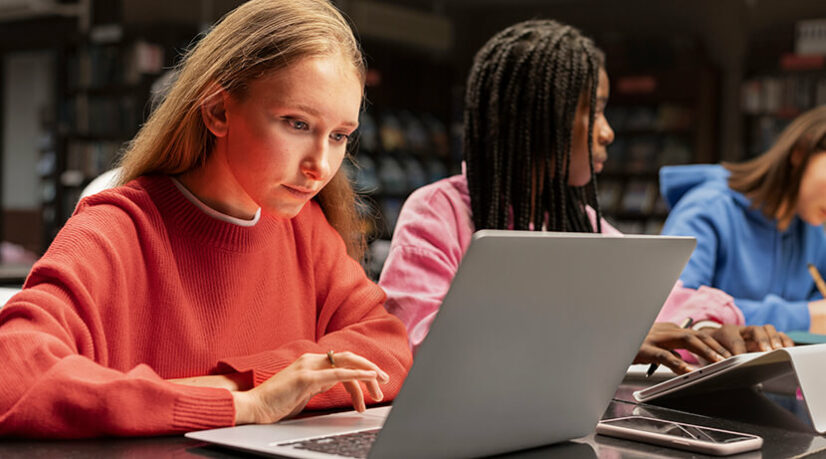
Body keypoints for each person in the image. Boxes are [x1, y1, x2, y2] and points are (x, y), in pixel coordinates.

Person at [0, 0, 412, 438]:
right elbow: (14, 377)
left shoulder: (306, 230)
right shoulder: (115, 229)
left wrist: (252, 385)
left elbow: (388, 348)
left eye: (339, 136)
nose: (321, 165)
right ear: (217, 111)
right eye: (296, 124)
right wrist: (244, 404)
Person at [378, 20, 791, 376]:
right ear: (536, 118)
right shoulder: (438, 212)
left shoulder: (578, 220)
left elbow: (668, 300)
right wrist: (607, 338)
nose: (608, 132)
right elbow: (422, 346)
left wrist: (704, 333)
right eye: (594, 110)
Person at [661, 105, 826, 333]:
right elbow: (674, 312)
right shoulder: (709, 209)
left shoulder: (813, 229)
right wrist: (802, 317)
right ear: (800, 152)